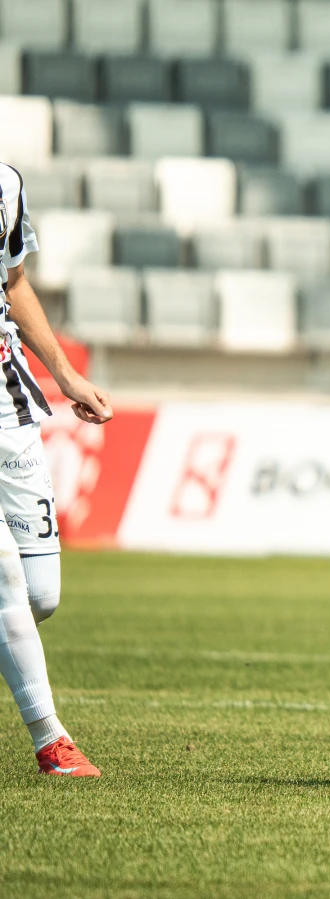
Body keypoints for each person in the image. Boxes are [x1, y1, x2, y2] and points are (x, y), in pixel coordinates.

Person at [0, 163, 113, 777]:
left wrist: (66, 375)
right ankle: (53, 742)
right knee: (3, 580)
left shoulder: (6, 185)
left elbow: (14, 282)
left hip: (9, 399)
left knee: (39, 595)